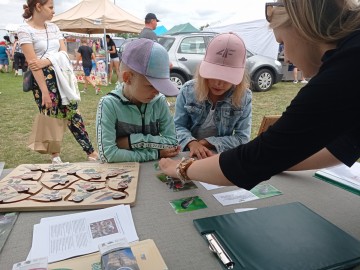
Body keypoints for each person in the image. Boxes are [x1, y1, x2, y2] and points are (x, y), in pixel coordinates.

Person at [159, 0, 360, 190]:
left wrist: (181, 168)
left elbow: (258, 157)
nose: (286, 57)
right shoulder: (349, 62)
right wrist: (276, 162)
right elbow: (344, 147)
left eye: (282, 43)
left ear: (303, 28)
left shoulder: (346, 69)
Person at [18, 0, 98, 164]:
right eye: (51, 7)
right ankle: (55, 156)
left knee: (73, 114)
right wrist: (44, 92)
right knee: (51, 117)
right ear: (38, 7)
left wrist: (46, 61)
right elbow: (34, 64)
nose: (54, 11)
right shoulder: (24, 30)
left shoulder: (54, 28)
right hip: (43, 81)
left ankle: (91, 152)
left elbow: (64, 54)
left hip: (62, 76)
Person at [96, 38, 180, 163]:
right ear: (127, 78)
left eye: (160, 86)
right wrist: (156, 153)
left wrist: (129, 142)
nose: (157, 92)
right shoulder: (109, 105)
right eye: (151, 85)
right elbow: (109, 154)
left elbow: (172, 142)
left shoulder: (159, 101)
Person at [174, 33, 252, 160]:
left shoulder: (244, 97)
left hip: (220, 156)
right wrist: (191, 143)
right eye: (213, 74)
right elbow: (177, 126)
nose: (218, 83)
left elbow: (242, 138)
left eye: (227, 77)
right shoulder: (188, 90)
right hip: (187, 153)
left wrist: (207, 142)